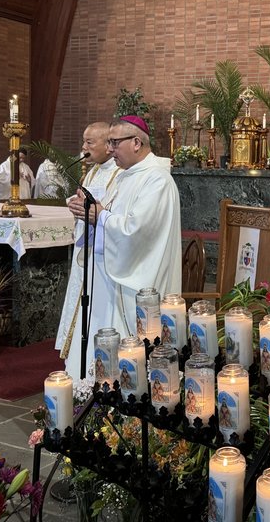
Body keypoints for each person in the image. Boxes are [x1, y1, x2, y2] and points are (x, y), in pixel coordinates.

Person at [66, 115, 182, 341]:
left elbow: (135, 231)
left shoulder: (157, 180)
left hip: (138, 282)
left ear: (136, 143)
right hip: (112, 278)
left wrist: (99, 216)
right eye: (108, 143)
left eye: (114, 143)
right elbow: (108, 215)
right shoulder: (125, 176)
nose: (109, 150)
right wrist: (89, 210)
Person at [55, 122, 122, 379]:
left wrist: (94, 211)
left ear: (108, 145)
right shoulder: (92, 172)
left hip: (103, 252)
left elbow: (113, 212)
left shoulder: (119, 174)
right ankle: (76, 365)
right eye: (83, 142)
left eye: (89, 142)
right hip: (86, 249)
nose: (83, 147)